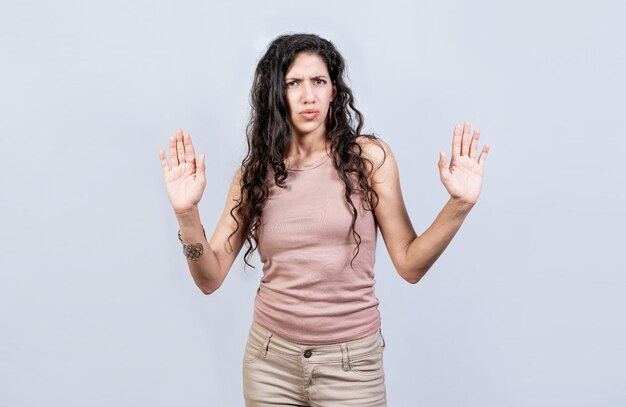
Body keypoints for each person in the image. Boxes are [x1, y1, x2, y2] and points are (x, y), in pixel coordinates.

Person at [158, 33, 489, 407]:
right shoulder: (253, 175)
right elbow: (210, 277)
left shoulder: (368, 159)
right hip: (270, 364)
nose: (308, 96)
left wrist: (459, 204)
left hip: (351, 366)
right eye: (293, 83)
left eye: (319, 81)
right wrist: (186, 214)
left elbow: (410, 265)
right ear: (276, 95)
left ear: (334, 90)